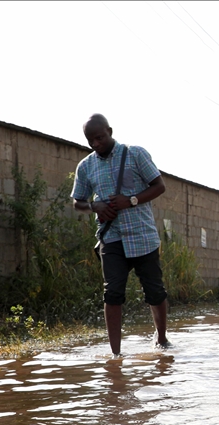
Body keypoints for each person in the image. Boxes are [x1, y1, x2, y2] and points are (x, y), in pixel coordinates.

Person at [71, 114, 171, 356]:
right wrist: (95, 207)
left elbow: (159, 186)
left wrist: (132, 200)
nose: (95, 143)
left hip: (142, 236)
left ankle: (162, 339)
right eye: (90, 140)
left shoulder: (135, 154)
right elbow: (77, 201)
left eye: (100, 137)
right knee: (112, 292)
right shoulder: (86, 166)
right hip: (111, 238)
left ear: (110, 131)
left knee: (155, 291)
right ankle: (115, 355)